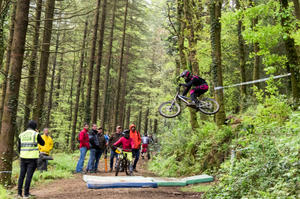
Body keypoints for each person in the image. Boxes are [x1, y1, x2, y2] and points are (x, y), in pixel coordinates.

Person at [18, 120, 45, 198]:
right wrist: (38, 133)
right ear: (35, 127)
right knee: (28, 176)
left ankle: (19, 194)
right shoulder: (35, 134)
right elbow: (43, 143)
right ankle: (26, 194)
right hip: (32, 158)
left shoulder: (21, 134)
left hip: (23, 157)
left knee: (21, 176)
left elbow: (19, 147)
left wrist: (22, 154)